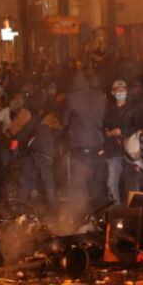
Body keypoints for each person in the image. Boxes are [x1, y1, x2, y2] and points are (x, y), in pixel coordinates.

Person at [62, 71, 107, 220]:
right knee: (98, 185)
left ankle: (81, 219)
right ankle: (100, 218)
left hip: (79, 148)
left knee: (79, 186)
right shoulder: (100, 96)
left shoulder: (72, 97)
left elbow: (64, 121)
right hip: (98, 146)